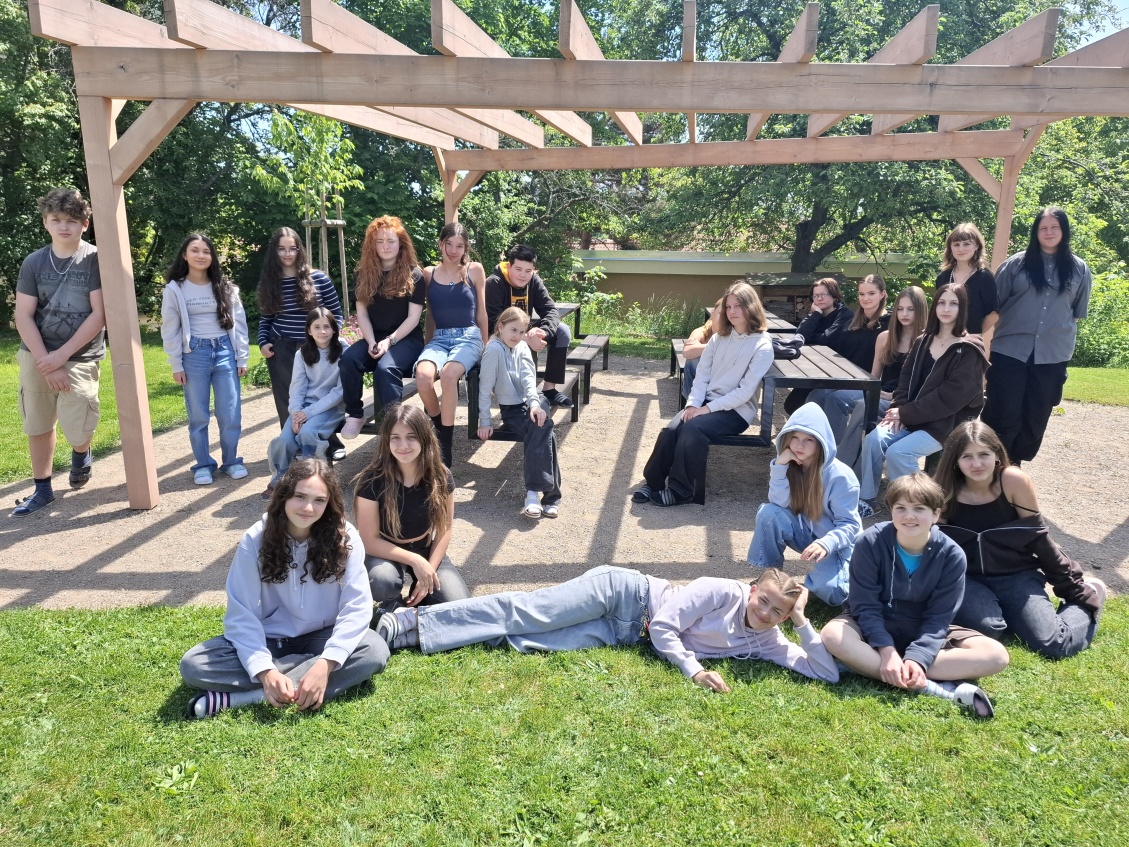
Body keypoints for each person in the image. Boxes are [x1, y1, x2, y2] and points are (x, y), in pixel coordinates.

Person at [373, 566, 839, 692]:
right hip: (623, 594)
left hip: (623, 633)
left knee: (524, 640)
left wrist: (801, 621)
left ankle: (419, 636)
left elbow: (826, 672)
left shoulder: (770, 637)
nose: (766, 613)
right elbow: (665, 627)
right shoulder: (719, 590)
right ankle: (406, 622)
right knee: (528, 612)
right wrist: (694, 670)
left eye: (778, 612)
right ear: (752, 588)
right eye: (764, 600)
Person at [179, 459, 387, 719]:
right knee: (194, 664)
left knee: (374, 650)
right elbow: (241, 613)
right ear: (284, 495)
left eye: (319, 500)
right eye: (300, 496)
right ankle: (296, 683)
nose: (308, 508)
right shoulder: (255, 538)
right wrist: (265, 670)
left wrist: (325, 664)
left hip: (323, 637)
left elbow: (356, 607)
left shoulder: (345, 538)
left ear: (329, 503)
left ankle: (248, 697)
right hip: (270, 639)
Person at [821, 473, 1010, 718]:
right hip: (872, 624)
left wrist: (919, 657)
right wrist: (886, 649)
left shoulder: (952, 555)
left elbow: (939, 618)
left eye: (919, 509)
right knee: (832, 635)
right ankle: (932, 686)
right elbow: (864, 605)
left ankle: (871, 665)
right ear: (891, 511)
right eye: (901, 508)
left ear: (936, 514)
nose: (909, 516)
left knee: (996, 655)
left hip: (922, 628)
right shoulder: (870, 542)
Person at [934, 421, 1106, 659]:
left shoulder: (1013, 481)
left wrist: (1075, 589)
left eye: (984, 454)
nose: (977, 464)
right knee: (988, 629)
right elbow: (932, 547)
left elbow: (1039, 539)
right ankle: (1006, 614)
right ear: (955, 460)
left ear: (997, 454)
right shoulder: (943, 490)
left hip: (1015, 575)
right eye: (967, 457)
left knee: (1052, 644)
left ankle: (1090, 596)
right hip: (967, 578)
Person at [633, 282, 774, 507]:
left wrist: (706, 409)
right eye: (728, 307)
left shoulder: (762, 345)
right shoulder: (719, 338)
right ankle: (654, 482)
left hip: (736, 411)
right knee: (671, 429)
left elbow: (745, 392)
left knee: (693, 429)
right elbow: (701, 377)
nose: (732, 311)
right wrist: (692, 405)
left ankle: (681, 490)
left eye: (738, 306)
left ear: (751, 307)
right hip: (706, 402)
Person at [12, 188, 105, 517]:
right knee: (37, 424)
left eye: (72, 220)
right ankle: (42, 490)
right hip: (37, 355)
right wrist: (47, 362)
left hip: (80, 356)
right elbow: (23, 315)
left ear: (85, 224)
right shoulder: (34, 262)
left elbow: (100, 314)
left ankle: (81, 453)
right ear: (45, 223)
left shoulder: (95, 259)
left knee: (79, 427)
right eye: (56, 220)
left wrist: (61, 357)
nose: (64, 226)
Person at [858, 283, 988, 517]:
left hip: (943, 425)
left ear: (962, 308)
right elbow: (905, 380)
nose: (946, 309)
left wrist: (905, 413)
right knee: (873, 440)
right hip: (909, 415)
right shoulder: (923, 341)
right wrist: (898, 408)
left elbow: (949, 398)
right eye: (941, 302)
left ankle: (917, 506)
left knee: (899, 453)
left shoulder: (968, 350)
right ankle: (867, 498)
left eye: (953, 304)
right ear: (934, 306)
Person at [982, 208, 1091, 464]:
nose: (1049, 232)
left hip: (1053, 355)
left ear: (1064, 231)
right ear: (1036, 232)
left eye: (1054, 227)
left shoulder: (1079, 269)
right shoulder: (1015, 265)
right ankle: (992, 464)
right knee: (1003, 410)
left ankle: (1015, 466)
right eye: (1043, 228)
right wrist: (973, 336)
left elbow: (1076, 314)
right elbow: (994, 307)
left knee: (1036, 416)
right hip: (1010, 351)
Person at [352, 404, 472, 611]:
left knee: (457, 603)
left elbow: (444, 529)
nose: (403, 445)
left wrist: (428, 570)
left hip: (425, 546)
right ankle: (393, 605)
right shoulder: (372, 480)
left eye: (411, 437)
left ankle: (421, 594)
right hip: (385, 550)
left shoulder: (441, 476)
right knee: (381, 582)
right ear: (386, 440)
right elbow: (369, 540)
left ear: (424, 438)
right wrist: (415, 560)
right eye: (395, 438)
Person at [747, 403, 862, 606]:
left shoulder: (841, 477)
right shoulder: (789, 465)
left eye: (809, 439)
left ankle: (818, 585)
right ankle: (771, 578)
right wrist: (779, 466)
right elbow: (778, 503)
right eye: (795, 437)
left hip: (836, 545)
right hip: (806, 535)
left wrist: (826, 543)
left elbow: (850, 525)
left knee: (834, 593)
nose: (800, 445)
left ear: (821, 442)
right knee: (768, 513)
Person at [161, 233, 250, 486]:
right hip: (194, 354)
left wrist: (241, 357)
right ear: (185, 255)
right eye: (195, 250)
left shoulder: (226, 287)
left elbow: (239, 323)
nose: (201, 255)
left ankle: (231, 461)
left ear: (212, 257)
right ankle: (203, 465)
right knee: (199, 415)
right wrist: (176, 363)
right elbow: (170, 328)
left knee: (230, 412)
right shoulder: (175, 289)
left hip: (224, 352)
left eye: (206, 251)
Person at [256, 227, 345, 460]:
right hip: (283, 346)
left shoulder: (318, 278)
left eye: (292, 248)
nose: (287, 253)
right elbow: (266, 318)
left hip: (318, 346)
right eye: (282, 249)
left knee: (322, 395)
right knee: (288, 398)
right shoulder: (270, 282)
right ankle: (293, 444)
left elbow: (336, 314)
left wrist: (332, 340)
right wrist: (263, 342)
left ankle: (330, 443)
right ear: (274, 251)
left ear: (299, 250)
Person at [339, 216, 427, 439]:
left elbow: (413, 318)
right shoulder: (362, 274)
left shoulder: (414, 274)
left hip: (406, 339)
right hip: (374, 336)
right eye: (379, 241)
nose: (385, 246)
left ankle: (392, 427)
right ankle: (355, 414)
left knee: (386, 368)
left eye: (390, 241)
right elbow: (362, 314)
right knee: (348, 359)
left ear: (401, 243)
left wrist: (390, 341)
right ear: (373, 245)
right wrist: (370, 341)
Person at [477, 307, 563, 518]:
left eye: (522, 331)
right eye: (513, 330)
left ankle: (534, 495)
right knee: (545, 431)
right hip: (512, 410)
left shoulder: (523, 346)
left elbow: (528, 379)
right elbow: (484, 388)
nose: (517, 336)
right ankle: (547, 496)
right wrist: (485, 421)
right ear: (500, 327)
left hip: (533, 401)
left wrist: (534, 405)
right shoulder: (494, 350)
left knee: (540, 423)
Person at [416, 222, 489, 466]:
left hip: (469, 336)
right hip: (439, 338)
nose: (454, 251)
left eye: (460, 246)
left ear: (465, 248)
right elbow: (430, 315)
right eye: (449, 244)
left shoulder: (474, 270)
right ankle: (437, 424)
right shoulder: (428, 273)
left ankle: (445, 445)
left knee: (448, 376)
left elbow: (481, 314)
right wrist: (427, 346)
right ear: (441, 244)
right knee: (423, 377)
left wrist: (485, 347)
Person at [836, 285, 929, 474]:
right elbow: (874, 377)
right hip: (880, 392)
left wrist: (890, 396)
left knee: (863, 407)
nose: (904, 314)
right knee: (836, 397)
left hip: (905, 400)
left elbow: (923, 386)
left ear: (920, 310)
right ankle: (835, 460)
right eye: (900, 309)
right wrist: (875, 392)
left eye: (910, 309)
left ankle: (846, 471)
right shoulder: (885, 337)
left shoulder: (927, 341)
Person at [263, 307, 346, 499]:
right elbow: (297, 388)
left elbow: (339, 392)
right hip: (304, 408)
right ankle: (279, 480)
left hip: (331, 407)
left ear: (334, 328)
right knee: (284, 440)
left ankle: (318, 479)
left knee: (309, 433)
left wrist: (307, 414)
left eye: (327, 326)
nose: (322, 331)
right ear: (309, 330)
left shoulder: (343, 350)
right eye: (316, 327)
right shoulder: (302, 354)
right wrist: (295, 413)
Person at [806, 274, 890, 451]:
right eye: (861, 294)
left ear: (882, 294)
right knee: (816, 396)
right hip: (846, 379)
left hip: (872, 384)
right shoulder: (853, 323)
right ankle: (812, 447)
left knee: (835, 400)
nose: (865, 298)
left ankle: (833, 452)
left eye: (871, 293)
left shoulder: (889, 324)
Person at [484, 244, 573, 408]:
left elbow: (550, 310)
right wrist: (523, 337)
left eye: (528, 271)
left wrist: (542, 331)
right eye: (518, 269)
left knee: (563, 331)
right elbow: (493, 323)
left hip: (524, 329)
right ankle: (516, 399)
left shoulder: (534, 280)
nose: (523, 275)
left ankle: (549, 389)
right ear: (509, 266)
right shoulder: (494, 283)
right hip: (499, 336)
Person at [784, 276, 854, 413]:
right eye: (815, 296)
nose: (819, 299)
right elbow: (801, 337)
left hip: (838, 372)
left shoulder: (845, 314)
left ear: (834, 296)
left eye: (823, 295)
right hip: (815, 368)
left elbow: (827, 340)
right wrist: (815, 314)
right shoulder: (817, 314)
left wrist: (813, 337)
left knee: (806, 405)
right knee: (792, 405)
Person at [935, 222, 998, 338]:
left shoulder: (985, 277)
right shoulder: (943, 277)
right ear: (950, 247)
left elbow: (993, 313)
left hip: (969, 342)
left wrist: (974, 337)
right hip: (943, 339)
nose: (961, 249)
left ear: (977, 246)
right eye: (956, 244)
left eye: (966, 244)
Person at [680, 297, 723, 402]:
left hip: (720, 386)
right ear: (713, 312)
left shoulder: (733, 334)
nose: (723, 319)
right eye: (721, 314)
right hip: (697, 386)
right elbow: (687, 352)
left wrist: (703, 347)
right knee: (693, 359)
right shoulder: (702, 331)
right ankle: (693, 401)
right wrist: (716, 347)